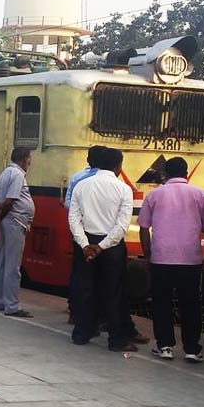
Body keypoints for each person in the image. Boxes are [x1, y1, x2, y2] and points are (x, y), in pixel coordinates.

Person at [138, 157, 204, 363]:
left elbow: (144, 227)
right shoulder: (201, 194)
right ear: (186, 172)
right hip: (190, 259)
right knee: (190, 303)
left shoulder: (154, 195)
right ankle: (192, 349)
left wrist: (147, 255)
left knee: (161, 302)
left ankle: (165, 346)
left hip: (161, 258)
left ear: (165, 173)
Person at [68, 148, 138, 352]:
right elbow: (122, 225)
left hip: (86, 244)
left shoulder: (82, 186)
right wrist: (102, 246)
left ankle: (82, 333)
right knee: (114, 292)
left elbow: (74, 219)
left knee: (85, 289)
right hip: (112, 247)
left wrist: (84, 245)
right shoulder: (123, 189)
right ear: (118, 166)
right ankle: (116, 339)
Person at [65, 145, 108, 322]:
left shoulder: (77, 177)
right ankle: (96, 316)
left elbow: (67, 202)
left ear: (88, 159)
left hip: (81, 232)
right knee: (100, 276)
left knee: (80, 273)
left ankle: (76, 313)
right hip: (99, 234)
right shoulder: (111, 180)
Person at [0, 147, 35, 318]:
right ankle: (12, 305)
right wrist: (2, 218)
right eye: (30, 158)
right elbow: (9, 201)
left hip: (7, 222)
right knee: (13, 266)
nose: (30, 162)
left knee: (2, 262)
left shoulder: (5, 173)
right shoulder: (18, 175)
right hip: (15, 222)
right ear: (24, 159)